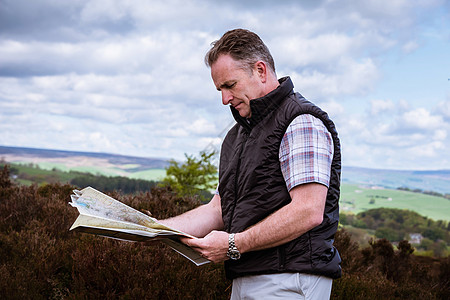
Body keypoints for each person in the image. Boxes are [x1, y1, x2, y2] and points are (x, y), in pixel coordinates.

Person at [161, 28, 341, 299]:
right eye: (220, 89)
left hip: (291, 282)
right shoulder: (238, 136)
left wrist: (233, 245)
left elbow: (308, 211)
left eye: (230, 85)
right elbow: (219, 209)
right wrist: (153, 228)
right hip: (248, 277)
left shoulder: (300, 121)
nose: (224, 99)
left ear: (260, 70)